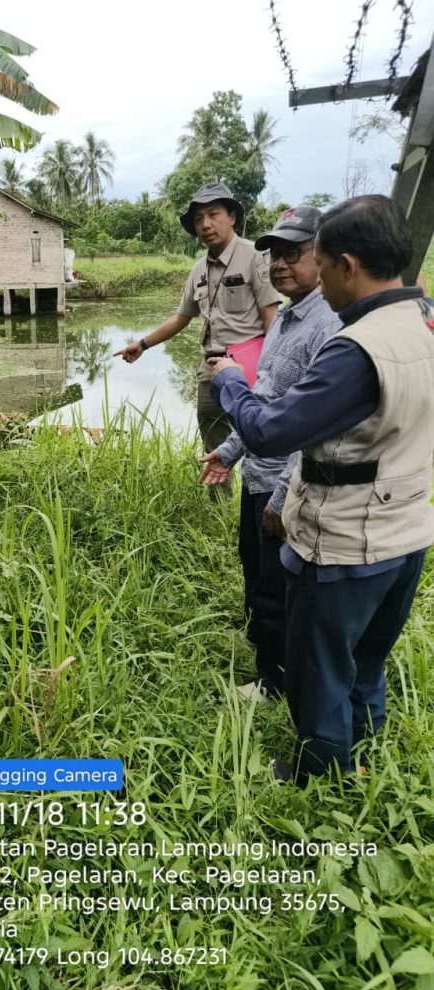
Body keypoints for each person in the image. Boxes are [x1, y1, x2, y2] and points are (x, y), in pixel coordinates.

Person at [209, 195, 434, 784]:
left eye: (320, 260)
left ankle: (320, 775)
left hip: (347, 538)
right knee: (366, 658)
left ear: (347, 265)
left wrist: (229, 381)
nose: (312, 274)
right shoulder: (424, 320)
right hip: (406, 529)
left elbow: (271, 429)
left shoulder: (355, 350)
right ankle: (365, 755)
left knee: (320, 664)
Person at [200, 206, 342, 702]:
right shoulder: (283, 320)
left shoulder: (329, 326)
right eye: (275, 255)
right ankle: (264, 650)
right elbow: (264, 396)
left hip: (286, 484)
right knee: (254, 568)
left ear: (323, 257)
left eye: (294, 253)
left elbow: (312, 428)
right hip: (258, 474)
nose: (280, 265)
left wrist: (281, 498)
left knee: (278, 585)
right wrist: (230, 451)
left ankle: (275, 681)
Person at [115, 182, 281, 457]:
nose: (205, 224)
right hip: (211, 368)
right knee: (213, 440)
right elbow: (181, 317)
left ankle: (255, 496)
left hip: (247, 368)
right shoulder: (198, 270)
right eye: (198, 219)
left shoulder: (256, 257)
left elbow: (271, 319)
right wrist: (142, 345)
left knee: (256, 439)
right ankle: (218, 499)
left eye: (213, 214)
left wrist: (270, 374)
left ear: (232, 217)